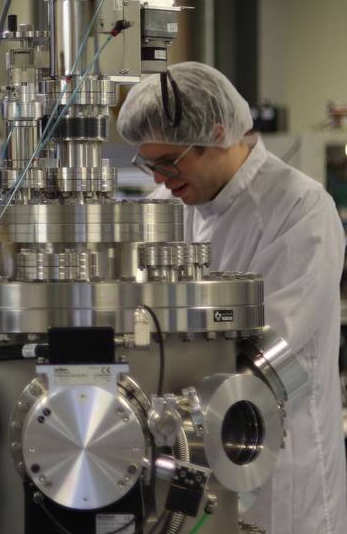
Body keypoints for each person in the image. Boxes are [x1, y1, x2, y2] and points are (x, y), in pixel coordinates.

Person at [118, 61, 347, 533]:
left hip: (277, 464)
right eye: (148, 164)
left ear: (218, 134)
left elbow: (269, 348)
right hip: (187, 451)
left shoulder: (301, 209)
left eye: (169, 162)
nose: (160, 179)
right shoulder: (165, 211)